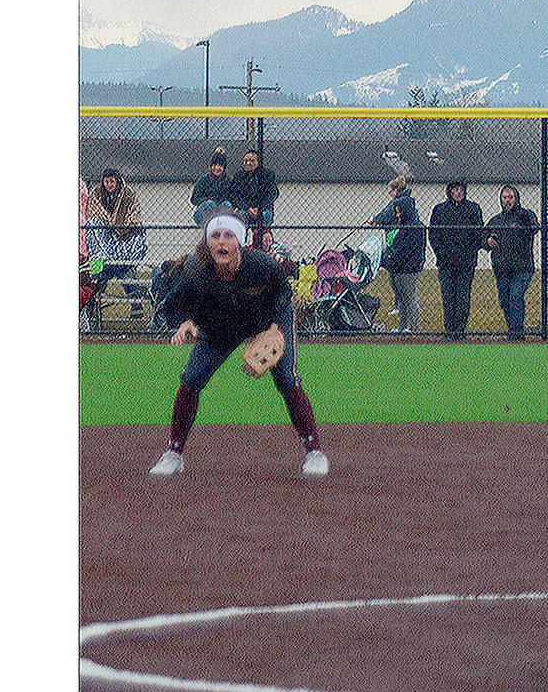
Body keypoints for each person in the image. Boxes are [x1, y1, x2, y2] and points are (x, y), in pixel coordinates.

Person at [150, 210, 329, 479]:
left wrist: (275, 328)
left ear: (241, 242)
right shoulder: (197, 272)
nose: (221, 241)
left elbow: (283, 294)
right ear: (208, 242)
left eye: (229, 235)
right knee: (191, 379)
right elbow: (171, 306)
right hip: (220, 328)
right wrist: (185, 321)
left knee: (286, 379)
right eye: (216, 236)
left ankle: (315, 452)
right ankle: (174, 454)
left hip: (265, 322)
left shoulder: (262, 265)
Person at [86, 167, 150, 316]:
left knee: (126, 271)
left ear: (117, 181)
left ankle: (136, 307)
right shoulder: (96, 195)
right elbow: (94, 215)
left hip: (123, 241)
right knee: (96, 272)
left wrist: (125, 227)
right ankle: (91, 308)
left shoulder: (128, 195)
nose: (109, 185)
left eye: (112, 181)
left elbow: (134, 216)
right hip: (103, 246)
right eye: (106, 181)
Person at [368, 174, 425, 332]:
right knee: (403, 299)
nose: (397, 215)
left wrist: (386, 260)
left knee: (409, 298)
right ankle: (402, 328)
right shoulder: (403, 227)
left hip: (408, 269)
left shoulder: (413, 229)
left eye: (399, 213)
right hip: (399, 267)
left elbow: (402, 251)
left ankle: (413, 328)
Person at [482, 184, 538, 341]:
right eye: (505, 197)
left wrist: (527, 218)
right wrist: (488, 241)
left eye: (511, 197)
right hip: (502, 269)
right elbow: (483, 238)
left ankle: (516, 333)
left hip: (522, 267)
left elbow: (535, 228)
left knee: (516, 295)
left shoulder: (525, 216)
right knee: (505, 300)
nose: (508, 201)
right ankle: (513, 328)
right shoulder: (495, 220)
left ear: (516, 198)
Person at [428, 180, 483, 340]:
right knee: (448, 297)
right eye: (455, 190)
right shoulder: (440, 210)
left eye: (461, 190)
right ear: (450, 192)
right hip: (446, 262)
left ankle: (460, 331)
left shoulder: (473, 209)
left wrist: (471, 251)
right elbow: (434, 235)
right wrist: (440, 254)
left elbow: (478, 234)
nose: (458, 193)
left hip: (466, 263)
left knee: (463, 297)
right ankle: (449, 330)